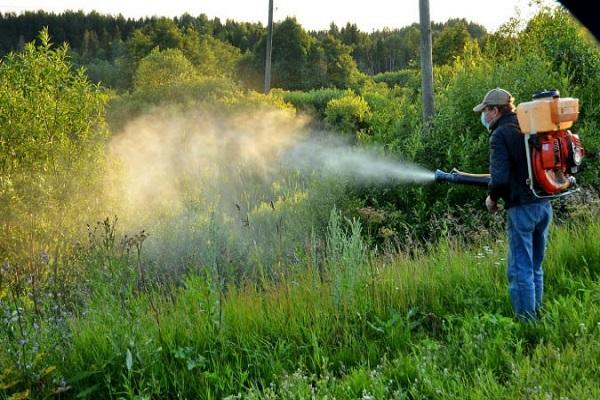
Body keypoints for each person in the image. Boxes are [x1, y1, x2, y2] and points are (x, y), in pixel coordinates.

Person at [473, 88, 553, 321]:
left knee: (520, 269)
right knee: (535, 265)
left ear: (495, 110)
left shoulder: (500, 134)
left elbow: (499, 179)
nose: (484, 116)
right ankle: (537, 313)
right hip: (543, 204)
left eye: (486, 111)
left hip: (522, 209)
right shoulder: (528, 126)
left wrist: (492, 199)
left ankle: (527, 323)